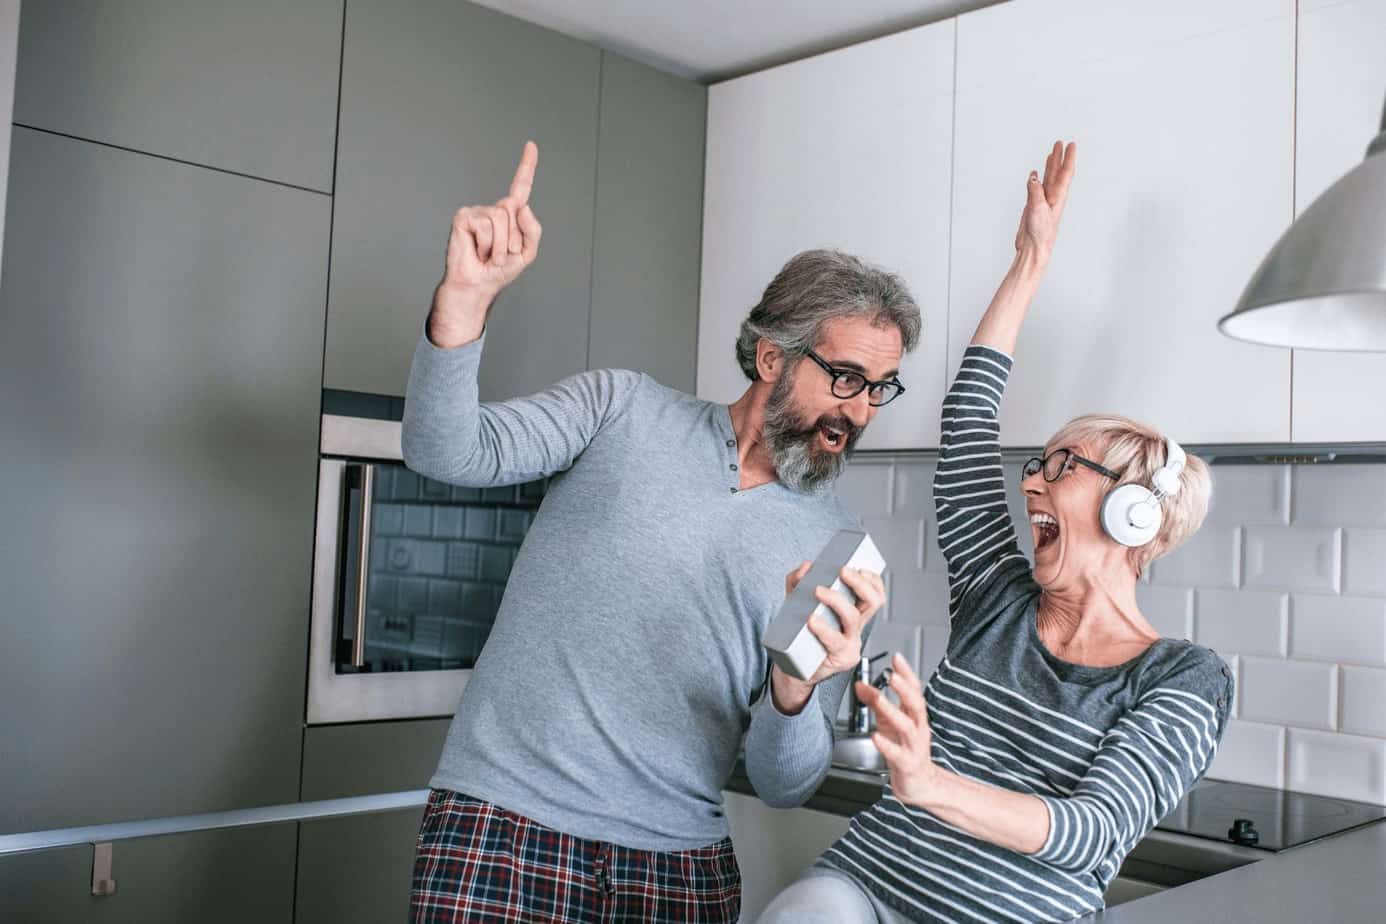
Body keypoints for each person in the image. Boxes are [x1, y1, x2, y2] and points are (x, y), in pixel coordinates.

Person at [402, 141, 920, 923]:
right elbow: (445, 450)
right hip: (504, 827)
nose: (859, 410)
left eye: (881, 388)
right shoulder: (622, 411)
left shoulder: (837, 548)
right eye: (845, 378)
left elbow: (785, 785)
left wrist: (793, 690)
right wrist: (465, 303)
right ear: (772, 357)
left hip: (679, 871)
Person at [757, 142, 1232, 923]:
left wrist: (928, 783)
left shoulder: (1183, 679)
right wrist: (1029, 262)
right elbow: (968, 423)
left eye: (1064, 466)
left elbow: (1093, 831)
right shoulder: (999, 595)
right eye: (1035, 464)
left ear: (1132, 513)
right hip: (868, 886)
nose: (1031, 481)